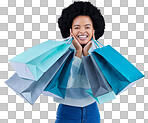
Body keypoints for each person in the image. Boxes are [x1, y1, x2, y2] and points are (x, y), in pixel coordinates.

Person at [54, 1, 105, 123]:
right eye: (77, 27)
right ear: (70, 30)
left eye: (87, 27)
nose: (82, 31)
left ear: (94, 30)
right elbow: (65, 85)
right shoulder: (60, 53)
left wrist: (86, 55)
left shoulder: (99, 53)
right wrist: (77, 53)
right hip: (67, 111)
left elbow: (99, 86)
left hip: (92, 109)